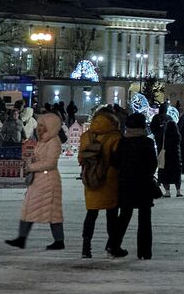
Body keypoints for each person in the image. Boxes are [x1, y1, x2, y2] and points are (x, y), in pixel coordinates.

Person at [7, 112, 66, 250]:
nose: (39, 128)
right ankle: (22, 238)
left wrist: (31, 167)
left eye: (42, 125)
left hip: (49, 180)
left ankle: (58, 240)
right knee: (29, 208)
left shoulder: (53, 141)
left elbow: (51, 163)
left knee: (52, 211)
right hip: (39, 179)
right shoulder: (43, 140)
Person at [110, 111, 157, 260]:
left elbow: (115, 162)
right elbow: (152, 165)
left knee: (124, 215)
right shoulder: (148, 142)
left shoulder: (123, 142)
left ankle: (114, 244)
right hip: (144, 184)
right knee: (145, 218)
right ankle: (144, 251)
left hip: (126, 184)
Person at [78, 105, 122, 258]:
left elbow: (81, 159)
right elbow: (118, 160)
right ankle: (111, 246)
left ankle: (86, 248)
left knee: (91, 214)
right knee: (112, 216)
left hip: (91, 178)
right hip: (110, 179)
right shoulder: (115, 136)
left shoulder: (86, 136)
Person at [155, 101, 184, 197]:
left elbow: (155, 131)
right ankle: (178, 191)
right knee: (176, 174)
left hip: (164, 154)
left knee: (164, 173)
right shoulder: (177, 136)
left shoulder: (163, 134)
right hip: (176, 157)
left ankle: (167, 191)